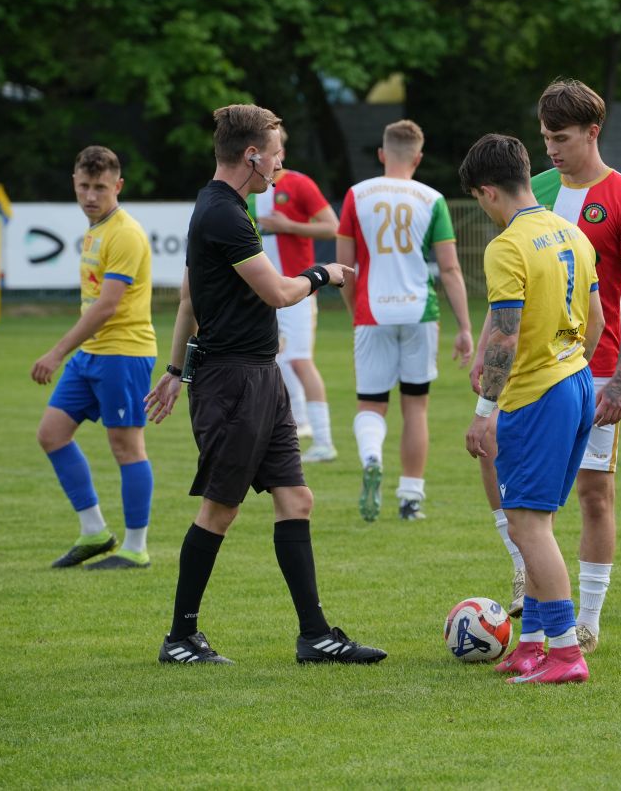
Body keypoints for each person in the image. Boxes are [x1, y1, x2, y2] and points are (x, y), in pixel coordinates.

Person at [143, 104, 385, 666]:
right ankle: (180, 637)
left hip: (260, 377)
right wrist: (323, 274)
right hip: (233, 384)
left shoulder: (225, 207)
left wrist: (175, 371)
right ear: (251, 155)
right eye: (276, 154)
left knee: (296, 498)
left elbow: (188, 299)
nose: (281, 164)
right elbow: (277, 292)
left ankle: (315, 636)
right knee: (219, 510)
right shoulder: (222, 214)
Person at [471, 79, 621, 655]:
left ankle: (587, 620)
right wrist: (483, 351)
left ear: (592, 132)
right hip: (531, 369)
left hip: (592, 370)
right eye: (545, 137)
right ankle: (527, 576)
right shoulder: (535, 190)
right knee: (504, 469)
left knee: (594, 493)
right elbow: (510, 291)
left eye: (562, 138)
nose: (551, 148)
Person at [460, 133, 604, 684]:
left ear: (488, 191)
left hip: (537, 396)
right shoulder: (572, 233)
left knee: (527, 526)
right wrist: (567, 363)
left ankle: (565, 653)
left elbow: (505, 334)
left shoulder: (507, 246)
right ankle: (532, 643)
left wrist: (484, 411)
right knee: (535, 524)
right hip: (576, 382)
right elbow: (596, 321)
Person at [336, 119, 474, 521]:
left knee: (371, 403)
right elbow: (450, 269)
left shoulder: (357, 195)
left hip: (372, 312)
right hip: (419, 313)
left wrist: (355, 310)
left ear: (382, 154)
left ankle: (372, 457)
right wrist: (465, 327)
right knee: (416, 407)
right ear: (418, 157)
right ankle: (411, 498)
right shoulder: (432, 199)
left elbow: (343, 268)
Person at [31, 146, 156, 570]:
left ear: (118, 186)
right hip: (92, 353)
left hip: (124, 353)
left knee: (126, 446)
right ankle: (94, 532)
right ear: (74, 182)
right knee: (51, 434)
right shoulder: (96, 229)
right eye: (84, 186)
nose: (90, 195)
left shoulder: (125, 233)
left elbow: (107, 306)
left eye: (100, 187)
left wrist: (56, 352)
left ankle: (136, 548)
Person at [248, 126, 341, 463]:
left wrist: (288, 226)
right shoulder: (248, 189)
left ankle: (325, 441)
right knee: (273, 359)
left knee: (299, 360)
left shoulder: (299, 183)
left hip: (298, 288)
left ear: (281, 152)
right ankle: (299, 425)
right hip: (263, 291)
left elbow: (332, 226)